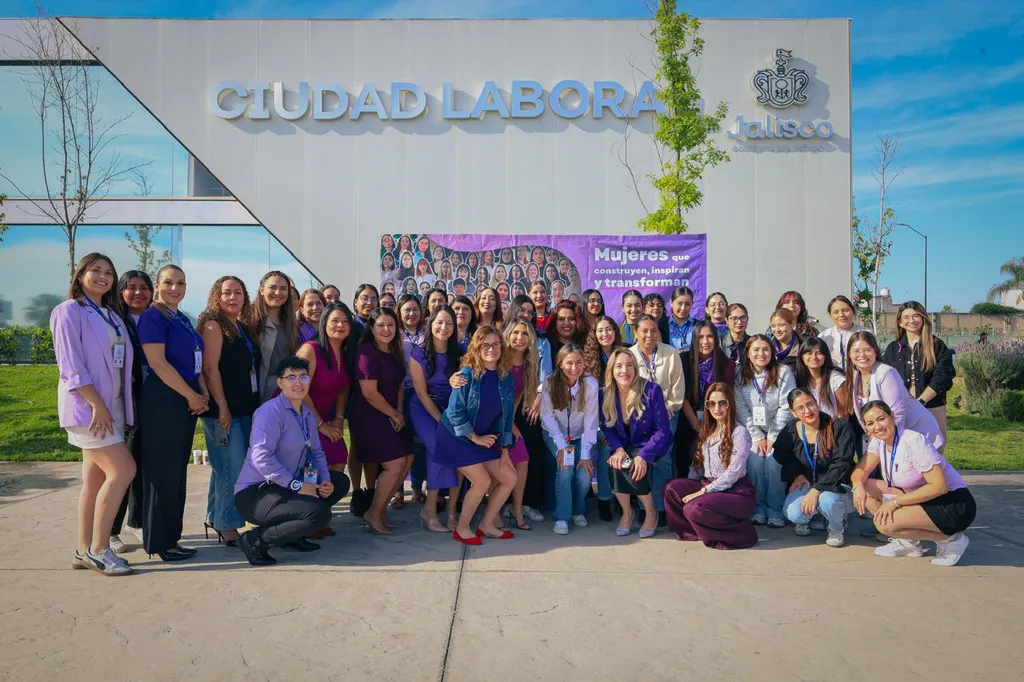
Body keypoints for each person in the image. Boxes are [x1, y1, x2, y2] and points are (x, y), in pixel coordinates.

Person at [52, 254, 137, 576]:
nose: (102, 277)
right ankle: (100, 551)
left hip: (111, 406)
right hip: (90, 409)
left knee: (95, 478)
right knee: (123, 469)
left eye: (108, 273)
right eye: (95, 271)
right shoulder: (69, 311)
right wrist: (97, 405)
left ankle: (83, 549)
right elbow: (70, 365)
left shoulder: (109, 314)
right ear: (81, 274)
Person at [234, 357, 351, 566]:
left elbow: (316, 452)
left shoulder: (305, 413)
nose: (298, 382)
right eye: (291, 377)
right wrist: (296, 485)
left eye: (303, 376)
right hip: (257, 492)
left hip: (286, 485)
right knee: (318, 515)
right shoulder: (270, 412)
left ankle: (291, 536)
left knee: (339, 482)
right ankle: (256, 540)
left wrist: (324, 480)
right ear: (280, 383)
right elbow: (261, 458)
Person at [138, 264, 208, 561]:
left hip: (185, 400)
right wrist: (191, 394)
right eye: (168, 282)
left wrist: (201, 394)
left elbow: (196, 360)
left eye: (180, 283)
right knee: (162, 472)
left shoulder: (181, 317)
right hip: (165, 400)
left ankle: (172, 539)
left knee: (176, 471)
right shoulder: (153, 317)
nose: (175, 288)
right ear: (157, 285)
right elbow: (158, 363)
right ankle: (159, 542)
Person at [851, 401, 975, 566]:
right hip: (922, 498)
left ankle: (952, 539)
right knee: (865, 490)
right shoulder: (879, 441)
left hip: (953, 503)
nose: (878, 426)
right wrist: (857, 486)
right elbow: (861, 471)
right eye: (871, 423)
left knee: (884, 524)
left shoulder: (913, 441)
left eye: (881, 419)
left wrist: (895, 503)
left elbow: (939, 487)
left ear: (892, 417)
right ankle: (909, 543)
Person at [436, 326, 518, 545]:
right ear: (477, 348)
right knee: (481, 481)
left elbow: (507, 417)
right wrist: (475, 438)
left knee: (509, 477)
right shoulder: (466, 375)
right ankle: (462, 528)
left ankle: (486, 524)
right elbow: (455, 413)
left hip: (481, 438)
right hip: (455, 436)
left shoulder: (506, 378)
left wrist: (504, 451)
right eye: (485, 345)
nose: (491, 349)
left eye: (496, 344)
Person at [198, 276, 260, 548]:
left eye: (238, 293)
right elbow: (210, 369)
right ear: (216, 296)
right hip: (224, 411)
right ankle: (228, 526)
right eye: (226, 293)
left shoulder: (241, 327)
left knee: (224, 468)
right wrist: (222, 405)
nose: (233, 297)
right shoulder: (213, 326)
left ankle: (216, 517)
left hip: (244, 407)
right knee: (231, 470)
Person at [663, 383, 757, 550]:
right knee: (672, 489)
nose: (717, 408)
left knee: (694, 508)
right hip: (708, 485)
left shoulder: (739, 432)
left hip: (736, 492)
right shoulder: (707, 430)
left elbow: (733, 473)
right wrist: (689, 488)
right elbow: (697, 466)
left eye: (722, 403)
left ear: (730, 404)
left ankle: (739, 532)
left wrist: (700, 493)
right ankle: (694, 531)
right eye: (711, 404)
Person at [348, 308, 414, 535]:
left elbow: (398, 385)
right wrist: (393, 414)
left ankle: (380, 510)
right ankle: (373, 513)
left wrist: (398, 412)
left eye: (391, 325)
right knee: (395, 464)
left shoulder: (394, 351)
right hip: (368, 415)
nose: (386, 330)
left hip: (390, 414)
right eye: (381, 325)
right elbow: (369, 393)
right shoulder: (366, 352)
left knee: (407, 459)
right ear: (372, 328)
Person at [294, 302, 353, 536]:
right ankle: (307, 518)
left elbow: (343, 388)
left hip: (326, 415)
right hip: (298, 415)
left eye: (345, 321)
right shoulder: (310, 349)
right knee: (311, 465)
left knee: (339, 456)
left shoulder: (345, 351)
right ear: (323, 323)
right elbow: (299, 388)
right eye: (334, 321)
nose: (340, 326)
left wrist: (338, 419)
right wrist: (320, 424)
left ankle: (319, 512)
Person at [601, 348, 671, 538]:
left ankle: (651, 513)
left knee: (632, 465)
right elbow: (606, 427)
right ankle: (627, 512)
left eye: (629, 365)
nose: (625, 371)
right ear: (612, 370)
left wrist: (643, 456)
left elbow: (663, 430)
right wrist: (618, 449)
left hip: (649, 444)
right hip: (624, 444)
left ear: (636, 368)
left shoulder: (651, 390)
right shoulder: (606, 393)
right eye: (619, 366)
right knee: (615, 464)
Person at [773, 389, 856, 546]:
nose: (807, 411)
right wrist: (797, 474)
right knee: (794, 513)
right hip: (808, 483)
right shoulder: (791, 430)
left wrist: (816, 490)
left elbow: (841, 464)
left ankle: (836, 527)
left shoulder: (839, 427)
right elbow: (780, 453)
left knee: (827, 500)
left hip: (835, 485)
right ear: (793, 412)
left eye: (810, 404)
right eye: (800, 408)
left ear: (817, 403)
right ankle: (812, 517)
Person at [409, 306, 463, 532]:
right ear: (430, 325)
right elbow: (421, 393)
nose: (444, 327)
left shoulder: (460, 352)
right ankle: (430, 511)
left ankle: (451, 512)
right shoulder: (418, 353)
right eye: (439, 322)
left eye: (449, 323)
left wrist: (451, 417)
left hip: (450, 407)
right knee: (440, 449)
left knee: (458, 454)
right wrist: (442, 420)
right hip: (424, 408)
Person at [109, 269, 152, 551]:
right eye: (131, 287)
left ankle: (136, 523)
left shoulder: (155, 318)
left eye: (143, 287)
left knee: (143, 466)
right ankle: (110, 530)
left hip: (154, 402)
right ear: (121, 290)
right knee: (123, 467)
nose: (138, 293)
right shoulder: (115, 321)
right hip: (126, 401)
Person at [734, 334, 796, 527]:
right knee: (753, 461)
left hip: (780, 431)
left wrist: (772, 437)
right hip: (753, 432)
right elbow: (740, 407)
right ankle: (758, 507)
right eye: (756, 350)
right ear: (748, 353)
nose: (761, 354)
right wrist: (757, 436)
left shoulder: (783, 372)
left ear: (772, 351)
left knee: (772, 463)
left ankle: (775, 508)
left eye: (766, 349)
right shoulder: (740, 374)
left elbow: (786, 407)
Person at [629, 315, 686, 525]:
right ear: (635, 332)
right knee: (641, 458)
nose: (649, 335)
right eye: (644, 331)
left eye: (653, 331)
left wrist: (662, 413)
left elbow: (677, 393)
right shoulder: (629, 355)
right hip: (638, 417)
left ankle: (661, 507)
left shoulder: (670, 354)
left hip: (668, 414)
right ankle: (645, 506)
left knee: (662, 458)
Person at [846, 331, 944, 449]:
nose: (862, 355)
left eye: (867, 350)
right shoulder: (853, 375)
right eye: (856, 351)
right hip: (882, 435)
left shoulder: (886, 373)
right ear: (849, 355)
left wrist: (890, 445)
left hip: (915, 433)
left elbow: (898, 414)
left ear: (875, 351)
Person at [539, 344, 599, 535]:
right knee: (565, 468)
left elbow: (591, 422)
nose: (574, 368)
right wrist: (561, 446)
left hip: (580, 435)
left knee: (584, 474)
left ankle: (577, 510)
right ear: (560, 363)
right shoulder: (549, 382)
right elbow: (547, 417)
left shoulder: (590, 385)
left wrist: (586, 453)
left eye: (579, 362)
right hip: (554, 434)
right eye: (569, 363)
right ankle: (562, 517)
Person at [882, 301, 955, 452]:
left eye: (916, 316)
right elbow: (885, 376)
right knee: (904, 451)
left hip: (932, 406)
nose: (911, 320)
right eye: (906, 317)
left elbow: (943, 376)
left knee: (934, 450)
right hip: (902, 408)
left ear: (923, 319)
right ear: (900, 322)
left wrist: (921, 401)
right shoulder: (893, 348)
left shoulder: (936, 345)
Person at [505, 295, 553, 522]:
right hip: (502, 411)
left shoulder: (540, 344)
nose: (525, 315)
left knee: (530, 454)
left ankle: (528, 503)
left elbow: (545, 378)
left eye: (530, 312)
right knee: (505, 458)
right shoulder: (501, 345)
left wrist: (536, 401)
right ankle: (505, 503)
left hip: (528, 406)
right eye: (521, 310)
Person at [677, 320, 735, 478]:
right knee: (686, 449)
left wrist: (712, 425)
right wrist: (695, 423)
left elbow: (726, 398)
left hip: (717, 418)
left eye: (710, 337)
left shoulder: (725, 364)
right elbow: (680, 395)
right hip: (689, 417)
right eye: (700, 337)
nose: (705, 342)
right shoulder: (683, 360)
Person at [582, 315, 624, 520]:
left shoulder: (624, 355)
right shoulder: (589, 359)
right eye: (600, 330)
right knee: (603, 446)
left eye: (608, 329)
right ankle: (605, 499)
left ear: (615, 331)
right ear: (594, 334)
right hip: (596, 418)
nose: (605, 334)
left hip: (622, 416)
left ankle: (624, 497)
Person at [501, 319, 542, 530]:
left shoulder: (529, 363)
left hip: (509, 420)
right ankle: (498, 509)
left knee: (523, 459)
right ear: (508, 335)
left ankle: (516, 508)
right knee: (503, 462)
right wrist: (507, 426)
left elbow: (516, 398)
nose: (519, 338)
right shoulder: (500, 360)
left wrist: (511, 423)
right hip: (491, 421)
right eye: (515, 333)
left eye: (524, 333)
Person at [397, 293, 427, 506]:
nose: (411, 313)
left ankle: (417, 489)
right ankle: (397, 492)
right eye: (407, 309)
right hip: (400, 392)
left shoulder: (428, 333)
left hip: (422, 393)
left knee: (419, 445)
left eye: (415, 309)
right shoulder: (394, 334)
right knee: (400, 444)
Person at [252, 271, 299, 404]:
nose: (278, 293)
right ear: (262, 290)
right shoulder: (250, 320)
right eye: (273, 287)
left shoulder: (290, 323)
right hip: (261, 390)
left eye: (283, 289)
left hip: (287, 389)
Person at [795, 337, 848, 417]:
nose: (814, 357)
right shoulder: (799, 379)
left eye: (818, 353)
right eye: (809, 353)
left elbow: (843, 414)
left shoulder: (837, 379)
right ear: (802, 357)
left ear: (825, 356)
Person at [819, 295, 867, 370]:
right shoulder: (824, 336)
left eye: (845, 310)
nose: (841, 315)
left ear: (853, 311)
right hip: (832, 378)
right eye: (836, 312)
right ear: (830, 315)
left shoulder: (865, 333)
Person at [666, 286, 698, 353]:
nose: (683, 308)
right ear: (671, 303)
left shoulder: (698, 325)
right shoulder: (662, 326)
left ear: (692, 304)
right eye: (679, 303)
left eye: (687, 304)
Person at [721, 303, 751, 368]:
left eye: (743, 318)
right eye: (734, 318)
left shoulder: (752, 342)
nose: (739, 322)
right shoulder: (718, 343)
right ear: (726, 320)